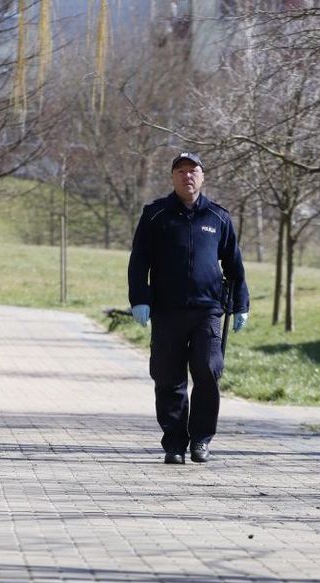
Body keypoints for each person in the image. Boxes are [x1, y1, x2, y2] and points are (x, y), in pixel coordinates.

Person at [127, 151, 249, 464]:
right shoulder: (155, 215)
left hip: (208, 310)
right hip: (167, 310)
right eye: (180, 171)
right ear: (173, 177)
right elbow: (139, 261)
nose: (187, 176)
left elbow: (234, 266)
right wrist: (140, 299)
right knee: (168, 377)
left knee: (208, 370)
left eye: (193, 171)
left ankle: (201, 440)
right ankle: (175, 444)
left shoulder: (218, 217)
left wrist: (241, 305)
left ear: (202, 176)